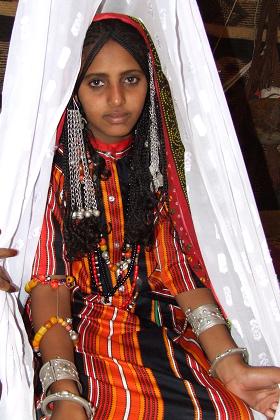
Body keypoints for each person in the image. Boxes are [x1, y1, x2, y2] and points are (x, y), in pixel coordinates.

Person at [25, 13, 280, 420]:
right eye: (96, 82)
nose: (116, 99)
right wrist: (64, 391)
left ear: (150, 83)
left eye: (130, 79)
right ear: (73, 91)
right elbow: (49, 285)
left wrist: (231, 367)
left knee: (228, 412)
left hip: (155, 326)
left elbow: (177, 271)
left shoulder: (160, 166)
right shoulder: (51, 173)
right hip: (73, 333)